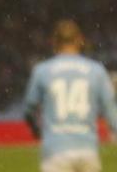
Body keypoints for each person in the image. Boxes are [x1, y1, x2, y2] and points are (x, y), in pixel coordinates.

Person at [23, 20, 117, 172]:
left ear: (54, 41)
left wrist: (36, 130)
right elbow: (110, 110)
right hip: (86, 150)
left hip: (56, 151)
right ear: (80, 40)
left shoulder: (42, 71)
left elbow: (29, 108)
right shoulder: (96, 70)